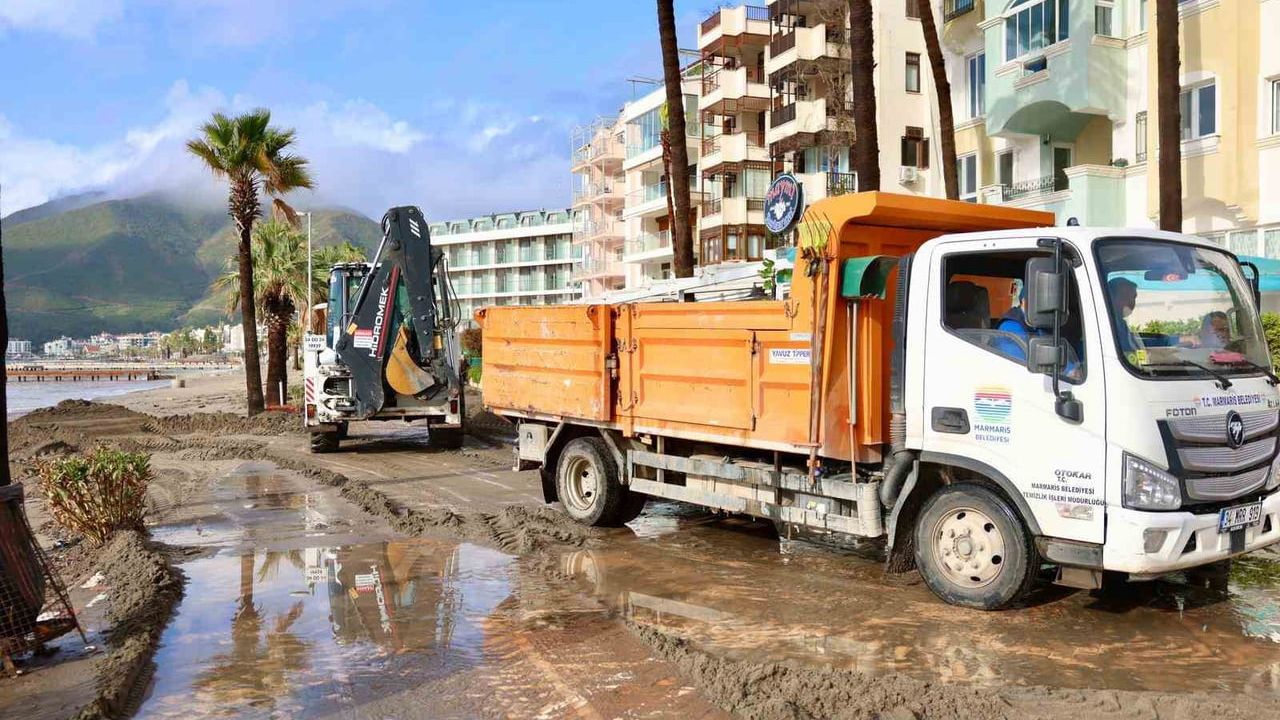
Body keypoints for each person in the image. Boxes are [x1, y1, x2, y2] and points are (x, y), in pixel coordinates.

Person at [1108, 277, 1143, 355]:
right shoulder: (1105, 326)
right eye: (1125, 296)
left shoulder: (1121, 324)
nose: (1131, 302)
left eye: (1134, 297)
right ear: (1111, 298)